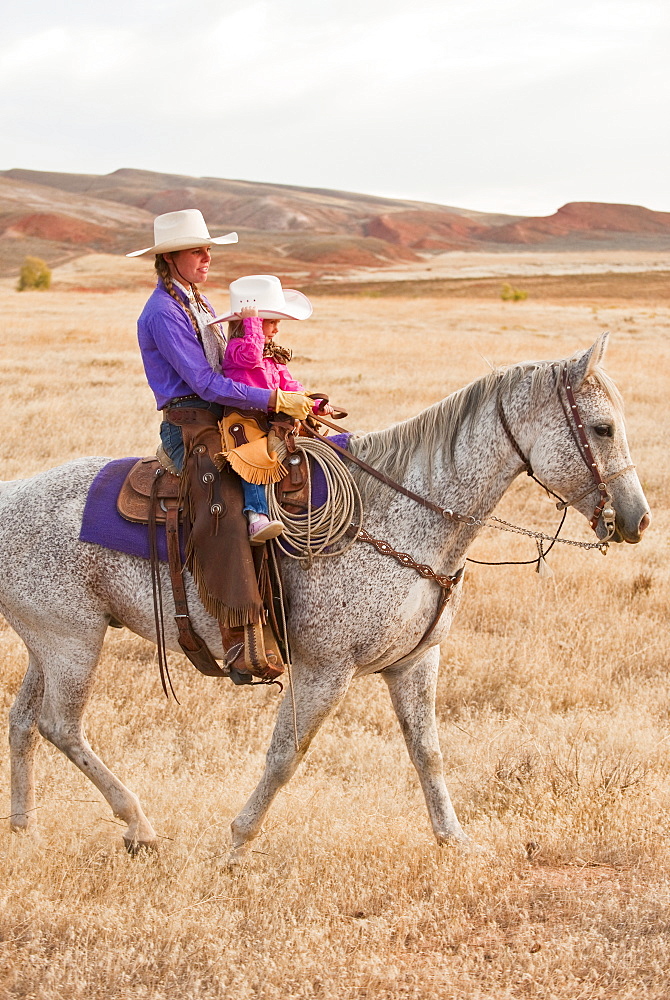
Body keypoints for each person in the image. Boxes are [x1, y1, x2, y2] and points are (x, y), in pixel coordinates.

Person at [127, 211, 314, 679]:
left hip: (224, 414)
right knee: (228, 503)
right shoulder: (162, 311)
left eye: (208, 249)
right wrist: (270, 396)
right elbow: (207, 384)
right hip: (191, 425)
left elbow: (233, 367)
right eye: (197, 250)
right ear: (169, 258)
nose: (207, 257)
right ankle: (240, 638)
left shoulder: (199, 301)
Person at [210, 274, 333, 542]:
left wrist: (314, 404)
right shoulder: (237, 349)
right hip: (244, 418)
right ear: (250, 324)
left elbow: (290, 386)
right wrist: (252, 323)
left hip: (271, 417)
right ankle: (257, 516)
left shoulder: (273, 355)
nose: (276, 329)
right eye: (272, 322)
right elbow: (251, 357)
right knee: (252, 456)